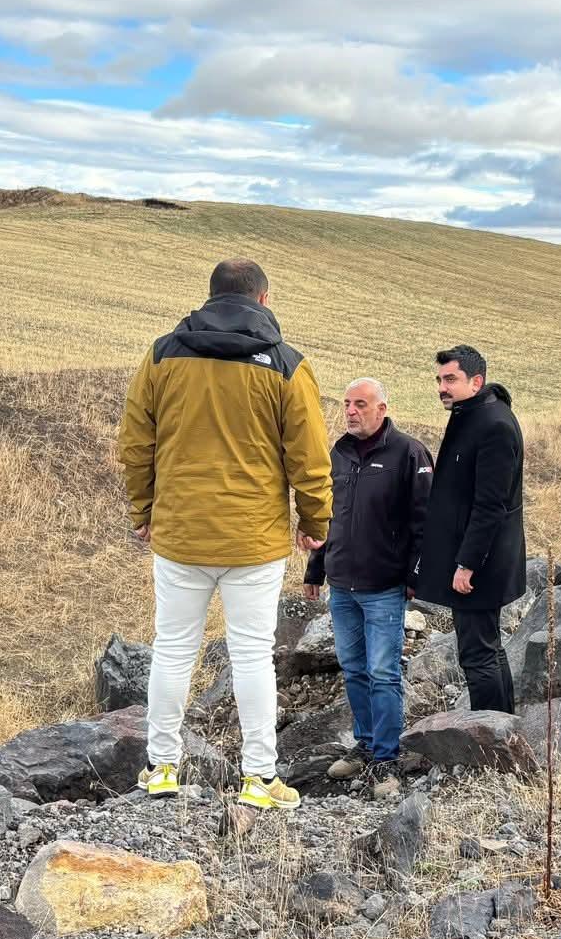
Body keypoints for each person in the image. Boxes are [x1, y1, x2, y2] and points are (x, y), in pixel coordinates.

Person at [119, 258, 333, 810]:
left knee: (172, 650)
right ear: (264, 299)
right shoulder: (286, 365)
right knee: (252, 655)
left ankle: (161, 766)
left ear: (210, 297)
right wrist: (315, 524)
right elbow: (308, 457)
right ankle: (259, 778)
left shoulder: (163, 354)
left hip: (180, 533)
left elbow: (136, 442)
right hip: (253, 539)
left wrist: (144, 507)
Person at [303, 378, 433, 788]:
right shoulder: (338, 453)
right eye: (346, 404)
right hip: (342, 586)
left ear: (382, 408)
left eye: (360, 404)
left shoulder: (409, 453)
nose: (351, 411)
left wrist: (415, 576)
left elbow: (426, 523)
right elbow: (327, 517)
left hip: (384, 587)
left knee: (383, 672)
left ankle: (386, 758)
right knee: (354, 669)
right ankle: (364, 745)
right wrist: (315, 569)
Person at [412, 345, 526, 713]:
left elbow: (491, 504)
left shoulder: (493, 424)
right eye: (439, 380)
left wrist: (467, 564)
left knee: (477, 654)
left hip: (481, 564)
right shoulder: (471, 415)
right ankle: (504, 725)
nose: (442, 387)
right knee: (487, 646)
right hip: (476, 558)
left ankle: (490, 739)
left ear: (476, 381)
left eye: (451, 379)